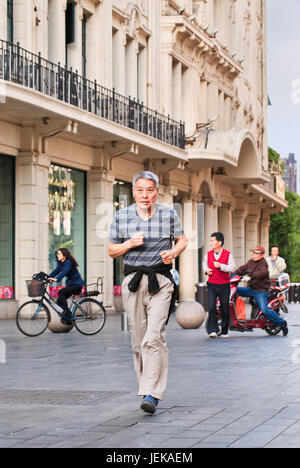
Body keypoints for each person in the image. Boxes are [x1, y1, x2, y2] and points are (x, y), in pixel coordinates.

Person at [108, 171, 188, 414]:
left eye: (150, 190)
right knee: (138, 339)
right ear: (133, 192)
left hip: (161, 280)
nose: (145, 194)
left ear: (156, 191)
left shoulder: (168, 214)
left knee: (154, 336)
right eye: (140, 190)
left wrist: (174, 253)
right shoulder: (121, 216)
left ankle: (152, 394)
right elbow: (112, 250)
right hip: (133, 280)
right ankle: (146, 387)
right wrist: (130, 244)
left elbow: (183, 239)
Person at [235, 246, 288, 336]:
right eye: (253, 252)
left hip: (260, 290)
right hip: (251, 289)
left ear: (261, 255)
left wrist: (250, 276)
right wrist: (232, 274)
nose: (254, 254)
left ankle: (282, 322)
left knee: (265, 310)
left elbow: (261, 273)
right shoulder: (251, 262)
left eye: (256, 253)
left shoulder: (263, 263)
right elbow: (242, 268)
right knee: (235, 290)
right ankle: (238, 317)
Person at [203, 232, 236, 339]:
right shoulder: (208, 254)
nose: (211, 243)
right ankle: (213, 330)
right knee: (212, 307)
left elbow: (232, 268)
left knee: (224, 307)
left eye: (213, 241)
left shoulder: (228, 254)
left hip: (224, 285)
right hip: (212, 284)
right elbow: (204, 265)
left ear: (219, 242)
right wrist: (206, 270)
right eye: (211, 240)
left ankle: (225, 331)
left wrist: (221, 266)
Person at [49, 248, 85, 325]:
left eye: (58, 254)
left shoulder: (69, 263)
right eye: (57, 254)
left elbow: (64, 272)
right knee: (59, 301)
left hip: (77, 285)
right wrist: (47, 278)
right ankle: (68, 316)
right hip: (71, 285)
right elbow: (55, 272)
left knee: (61, 292)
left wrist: (56, 279)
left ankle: (67, 314)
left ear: (64, 255)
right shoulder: (61, 264)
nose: (57, 255)